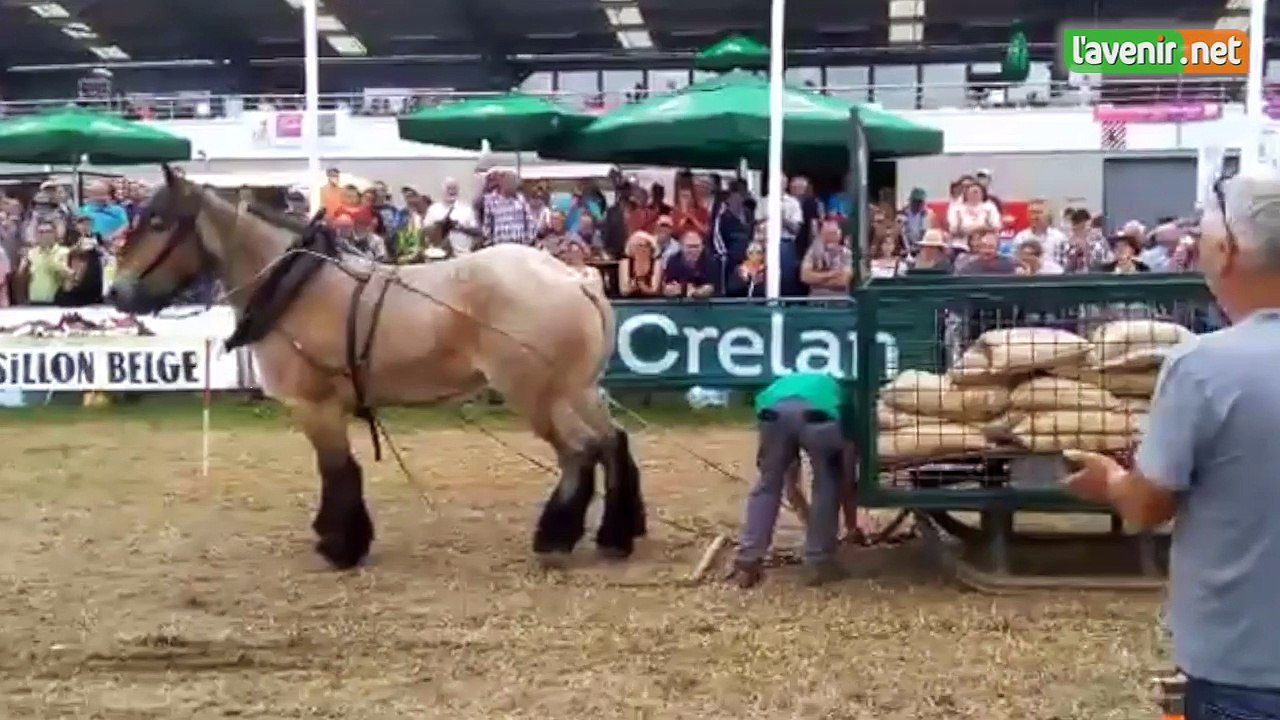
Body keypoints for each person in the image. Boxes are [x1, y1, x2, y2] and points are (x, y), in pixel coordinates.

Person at [1063, 170, 1280, 720]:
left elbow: (1145, 506)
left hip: (1243, 665)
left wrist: (1109, 482)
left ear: (1224, 248)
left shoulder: (1204, 368)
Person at [727, 372, 858, 588]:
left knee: (768, 485)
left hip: (772, 415)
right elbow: (847, 472)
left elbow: (790, 484)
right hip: (820, 416)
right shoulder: (842, 394)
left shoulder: (781, 386)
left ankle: (748, 561)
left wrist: (796, 495)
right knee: (827, 482)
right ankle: (820, 560)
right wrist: (852, 524)